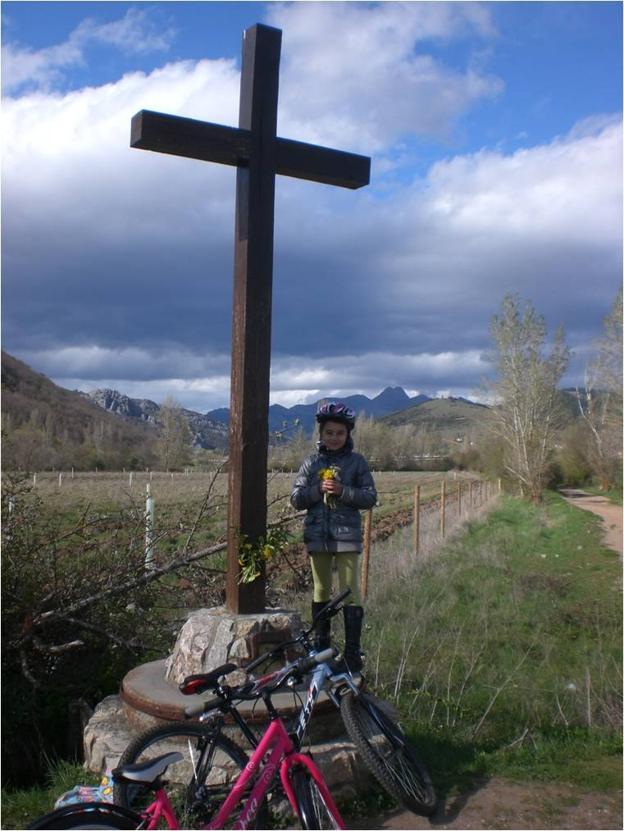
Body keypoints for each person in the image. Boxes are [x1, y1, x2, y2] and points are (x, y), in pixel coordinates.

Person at [291, 402, 377, 672]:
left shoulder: (357, 462)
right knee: (320, 590)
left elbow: (370, 497)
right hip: (318, 536)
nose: (334, 437)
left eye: (339, 433)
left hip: (347, 535)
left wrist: (342, 490)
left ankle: (352, 652)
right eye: (329, 432)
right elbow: (296, 499)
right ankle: (321, 647)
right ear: (321, 433)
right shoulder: (311, 463)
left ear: (347, 434)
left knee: (350, 591)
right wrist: (318, 489)